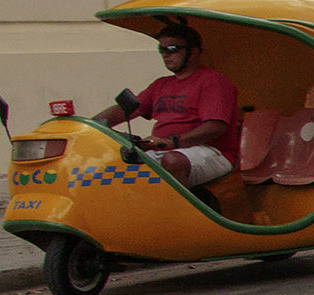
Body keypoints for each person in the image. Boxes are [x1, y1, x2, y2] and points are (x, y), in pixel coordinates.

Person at [99, 21, 240, 186]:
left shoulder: (212, 81)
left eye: (172, 49)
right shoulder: (161, 84)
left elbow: (215, 127)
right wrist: (91, 125)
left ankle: (177, 211)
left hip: (211, 152)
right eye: (161, 49)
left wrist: (173, 142)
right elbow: (125, 109)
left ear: (193, 51)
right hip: (164, 151)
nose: (165, 54)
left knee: (172, 161)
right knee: (111, 165)